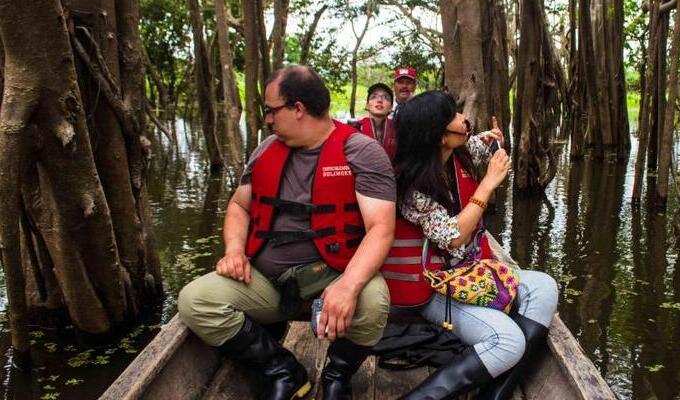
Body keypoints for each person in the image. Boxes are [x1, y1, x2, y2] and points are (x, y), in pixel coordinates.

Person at [177, 66, 396, 400]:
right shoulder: (266, 150)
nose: (267, 119)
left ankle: (337, 375)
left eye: (270, 110)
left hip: (333, 274)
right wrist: (234, 250)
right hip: (268, 281)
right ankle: (284, 370)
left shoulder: (361, 151)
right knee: (196, 301)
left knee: (374, 300)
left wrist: (348, 286)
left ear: (297, 108)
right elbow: (239, 206)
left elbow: (380, 228)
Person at [385, 91, 559, 400]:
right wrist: (488, 183)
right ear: (439, 136)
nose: (463, 119)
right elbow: (452, 236)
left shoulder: (461, 150)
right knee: (508, 341)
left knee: (545, 287)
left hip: (469, 272)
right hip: (435, 288)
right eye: (453, 116)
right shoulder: (412, 187)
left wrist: (493, 138)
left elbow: (480, 143)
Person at [353, 82, 396, 158]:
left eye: (385, 97)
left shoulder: (398, 129)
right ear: (367, 105)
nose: (379, 100)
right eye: (374, 97)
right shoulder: (355, 128)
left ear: (391, 107)